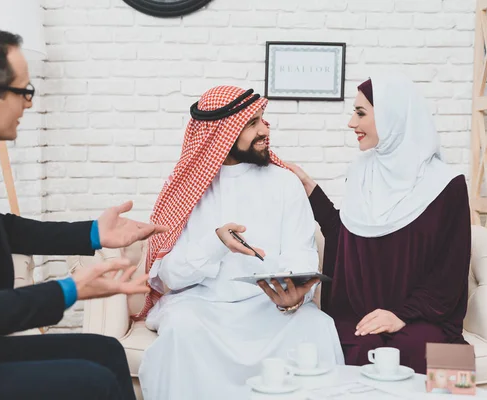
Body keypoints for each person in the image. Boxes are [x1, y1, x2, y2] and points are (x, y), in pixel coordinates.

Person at [0, 24, 167, 400]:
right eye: (23, 91)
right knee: (93, 383)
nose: (28, 103)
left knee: (106, 352)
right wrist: (68, 290)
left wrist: (93, 233)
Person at [137, 86, 344, 400]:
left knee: (317, 326)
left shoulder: (285, 182)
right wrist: (214, 243)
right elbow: (168, 277)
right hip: (202, 308)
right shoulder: (188, 192)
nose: (265, 130)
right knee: (181, 330)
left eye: (262, 120)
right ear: (222, 133)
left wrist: (295, 293)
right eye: (252, 123)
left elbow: (301, 250)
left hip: (269, 307)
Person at [287, 73, 470, 373]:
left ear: (391, 116)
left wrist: (401, 314)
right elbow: (347, 238)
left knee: (421, 348)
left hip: (424, 316)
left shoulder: (447, 185)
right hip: (360, 312)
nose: (351, 123)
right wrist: (310, 189)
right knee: (358, 344)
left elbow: (450, 269)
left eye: (360, 113)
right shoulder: (360, 172)